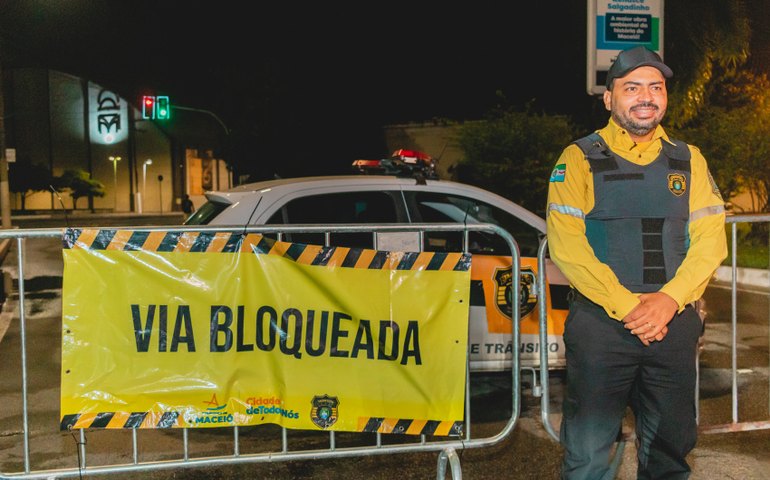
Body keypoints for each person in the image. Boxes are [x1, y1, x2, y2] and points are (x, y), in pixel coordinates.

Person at [546, 45, 727, 479]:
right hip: (602, 327)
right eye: (632, 87)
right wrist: (629, 307)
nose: (645, 97)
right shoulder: (578, 158)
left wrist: (667, 301)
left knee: (670, 448)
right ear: (609, 98)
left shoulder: (690, 159)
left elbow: (710, 241)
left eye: (655, 87)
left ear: (665, 96)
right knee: (590, 454)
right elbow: (567, 245)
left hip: (673, 323)